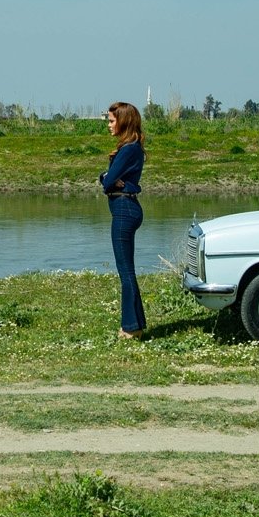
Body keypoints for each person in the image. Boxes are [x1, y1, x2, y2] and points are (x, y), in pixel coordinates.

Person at [100, 101, 146, 339]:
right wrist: (107, 177)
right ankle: (135, 324)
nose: (109, 125)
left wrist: (108, 179)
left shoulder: (129, 149)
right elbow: (107, 178)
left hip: (124, 210)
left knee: (125, 271)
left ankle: (130, 328)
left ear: (123, 121)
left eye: (111, 120)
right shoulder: (131, 147)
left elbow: (108, 183)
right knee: (127, 270)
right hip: (126, 208)